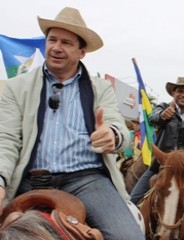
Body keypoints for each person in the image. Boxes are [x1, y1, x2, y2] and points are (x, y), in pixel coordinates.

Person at [0, 7, 144, 240]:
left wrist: (112, 136)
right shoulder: (16, 87)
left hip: (86, 180)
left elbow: (119, 130)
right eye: (52, 40)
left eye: (66, 42)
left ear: (82, 52)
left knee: (130, 237)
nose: (56, 47)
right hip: (30, 180)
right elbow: (5, 139)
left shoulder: (101, 88)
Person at [130, 77, 184, 240]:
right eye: (180, 91)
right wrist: (163, 116)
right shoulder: (163, 108)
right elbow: (153, 118)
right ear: (174, 93)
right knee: (132, 200)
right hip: (159, 167)